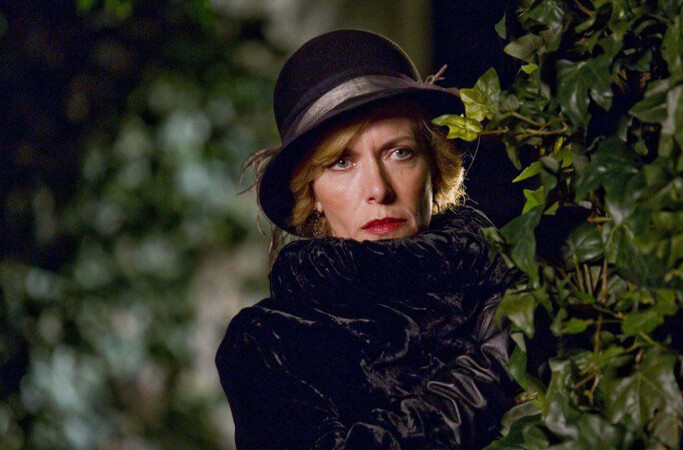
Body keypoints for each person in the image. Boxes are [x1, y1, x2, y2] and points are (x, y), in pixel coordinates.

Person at [216, 29, 525, 449]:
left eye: (400, 153)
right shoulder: (269, 341)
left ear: (435, 169)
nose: (378, 189)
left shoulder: (514, 284)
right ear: (312, 193)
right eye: (342, 162)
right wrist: (486, 376)